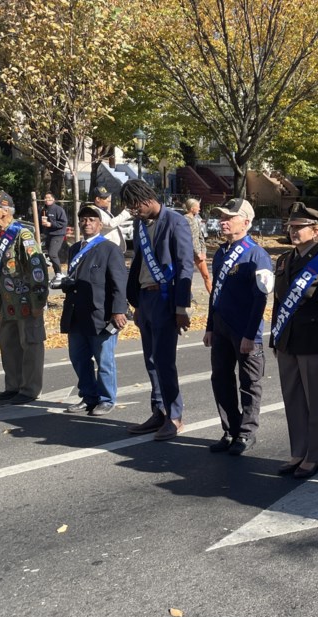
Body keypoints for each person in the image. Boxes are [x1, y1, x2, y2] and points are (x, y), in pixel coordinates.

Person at [269, 202, 318, 479]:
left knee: (317, 401)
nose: (293, 231)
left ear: (316, 231)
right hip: (288, 341)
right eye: (291, 227)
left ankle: (314, 456)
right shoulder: (283, 261)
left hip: (316, 343)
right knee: (292, 398)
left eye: (299, 227)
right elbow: (279, 303)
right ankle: (297, 451)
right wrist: (274, 338)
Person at [121, 179, 194, 441]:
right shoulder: (141, 225)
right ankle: (159, 411)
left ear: (148, 199)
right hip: (145, 298)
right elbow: (139, 262)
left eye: (134, 205)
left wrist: (181, 307)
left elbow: (186, 265)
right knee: (150, 361)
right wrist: (137, 304)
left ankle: (175, 417)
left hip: (165, 299)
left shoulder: (176, 222)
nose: (133, 211)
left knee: (164, 361)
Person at [204, 198, 274, 456]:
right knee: (220, 379)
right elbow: (216, 294)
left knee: (249, 382)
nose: (222, 221)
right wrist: (210, 326)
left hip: (244, 330)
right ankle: (230, 429)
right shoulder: (221, 252)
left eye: (228, 217)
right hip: (221, 327)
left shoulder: (257, 254)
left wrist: (251, 335)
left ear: (245, 222)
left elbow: (260, 297)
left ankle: (246, 433)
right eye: (221, 217)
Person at [58, 205, 129, 416]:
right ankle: (88, 396)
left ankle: (107, 399)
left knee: (104, 360)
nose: (87, 223)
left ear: (100, 224)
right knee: (78, 358)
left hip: (101, 314)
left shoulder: (109, 248)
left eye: (91, 219)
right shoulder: (74, 249)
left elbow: (119, 283)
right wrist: (64, 284)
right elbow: (75, 278)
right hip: (76, 312)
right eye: (83, 219)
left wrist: (118, 311)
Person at [0, 189, 50, 404]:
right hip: (7, 301)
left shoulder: (23, 235)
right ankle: (12, 385)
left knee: (30, 344)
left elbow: (38, 270)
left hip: (27, 300)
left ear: (5, 210)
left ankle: (29, 389)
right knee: (8, 344)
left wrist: (39, 301)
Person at [183, 198, 214, 296]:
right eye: (198, 206)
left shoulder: (196, 219)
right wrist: (198, 253)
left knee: (206, 276)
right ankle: (187, 298)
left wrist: (203, 251)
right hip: (187, 253)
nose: (199, 208)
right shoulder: (185, 220)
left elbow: (200, 236)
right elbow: (190, 239)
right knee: (187, 277)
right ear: (192, 208)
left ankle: (214, 297)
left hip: (198, 252)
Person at [92, 185, 132, 254]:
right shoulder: (95, 211)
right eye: (105, 198)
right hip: (106, 249)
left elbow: (114, 227)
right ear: (98, 199)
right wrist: (126, 212)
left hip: (112, 249)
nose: (108, 199)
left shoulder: (103, 210)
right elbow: (110, 224)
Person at [40, 192, 69, 286]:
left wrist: (51, 224)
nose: (47, 199)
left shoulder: (58, 209)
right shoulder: (43, 209)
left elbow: (64, 223)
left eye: (49, 198)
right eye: (45, 197)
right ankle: (57, 273)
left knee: (53, 253)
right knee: (49, 254)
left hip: (58, 234)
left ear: (53, 199)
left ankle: (60, 273)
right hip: (48, 234)